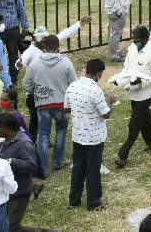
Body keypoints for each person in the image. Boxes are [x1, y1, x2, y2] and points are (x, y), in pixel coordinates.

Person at [22, 34, 76, 177]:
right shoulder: (66, 62)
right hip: (61, 104)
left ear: (43, 46)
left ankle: (42, 168)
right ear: (58, 47)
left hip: (43, 104)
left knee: (43, 134)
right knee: (61, 130)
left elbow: (26, 84)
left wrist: (38, 91)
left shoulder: (35, 64)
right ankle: (58, 162)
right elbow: (73, 84)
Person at [65, 59, 114, 212]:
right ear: (98, 73)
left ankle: (74, 201)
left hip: (78, 135)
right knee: (93, 169)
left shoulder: (72, 86)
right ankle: (94, 202)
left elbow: (66, 109)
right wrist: (109, 102)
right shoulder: (95, 90)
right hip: (94, 137)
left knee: (78, 168)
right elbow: (106, 114)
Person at [115, 26, 151, 169]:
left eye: (137, 39)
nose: (135, 41)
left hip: (145, 93)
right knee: (144, 118)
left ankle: (123, 154)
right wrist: (122, 78)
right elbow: (126, 66)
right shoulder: (131, 48)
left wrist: (142, 81)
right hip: (133, 91)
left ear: (145, 39)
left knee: (134, 124)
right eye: (133, 39)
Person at [0, 112, 44, 232]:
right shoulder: (7, 140)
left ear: (5, 127)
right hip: (8, 192)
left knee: (11, 228)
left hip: (19, 192)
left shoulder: (23, 143)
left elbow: (32, 165)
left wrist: (11, 161)